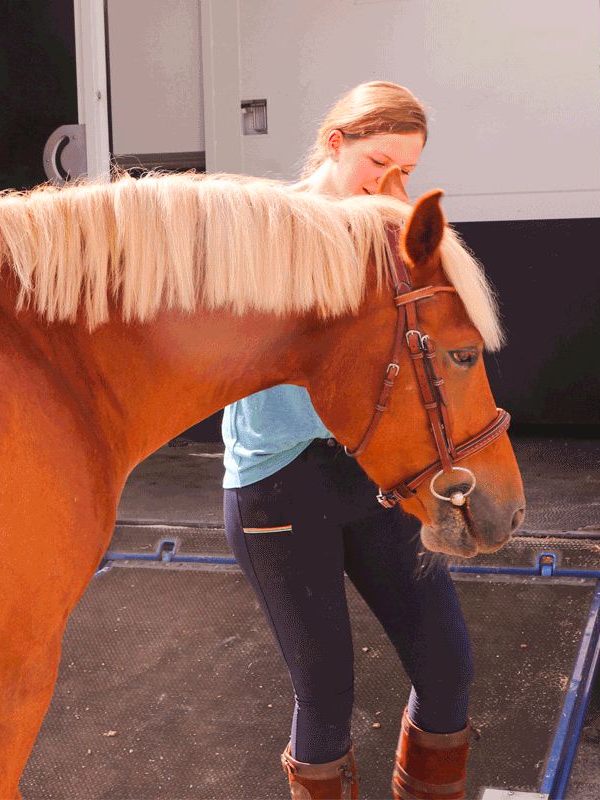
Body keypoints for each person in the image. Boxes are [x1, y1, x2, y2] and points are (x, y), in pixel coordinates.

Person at [222, 81, 473, 800]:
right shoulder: (275, 228)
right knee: (327, 694)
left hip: (373, 474)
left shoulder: (397, 239)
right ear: (336, 145)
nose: (393, 180)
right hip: (279, 481)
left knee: (449, 665)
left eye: (408, 167)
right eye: (379, 160)